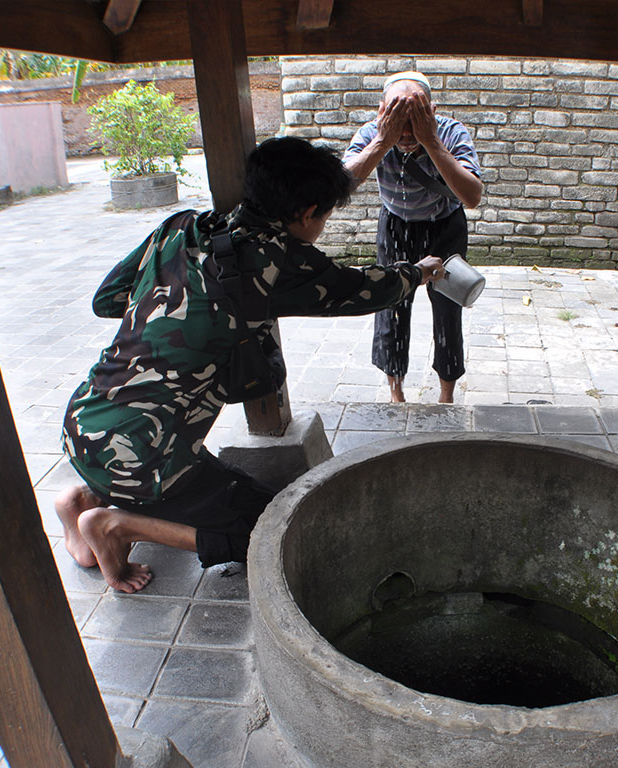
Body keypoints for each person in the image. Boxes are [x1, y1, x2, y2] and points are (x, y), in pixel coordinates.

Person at [55, 136, 445, 593]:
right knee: (272, 530)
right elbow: (365, 289)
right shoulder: (282, 263)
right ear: (307, 214)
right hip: (145, 459)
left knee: (145, 459)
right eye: (323, 216)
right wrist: (418, 272)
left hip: (80, 425)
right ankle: (115, 526)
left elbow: (107, 301)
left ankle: (80, 497)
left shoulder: (180, 226)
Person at [344, 70, 483, 404]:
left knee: (449, 309)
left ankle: (446, 396)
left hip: (445, 226)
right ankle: (396, 392)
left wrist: (431, 141)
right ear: (382, 112)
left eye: (414, 121)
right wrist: (383, 141)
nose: (406, 134)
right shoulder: (373, 133)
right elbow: (340, 185)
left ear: (431, 113)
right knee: (391, 304)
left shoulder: (449, 133)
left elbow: (473, 195)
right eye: (397, 121)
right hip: (395, 225)